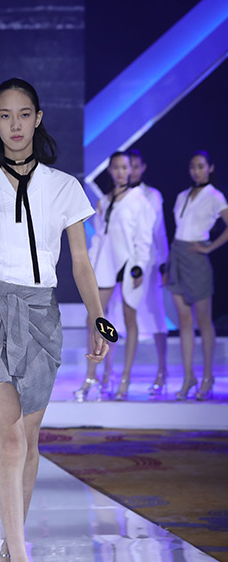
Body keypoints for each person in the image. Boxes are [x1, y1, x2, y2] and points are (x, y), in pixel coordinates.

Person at [0, 78, 109, 562]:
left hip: (42, 313)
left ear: (38, 118)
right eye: (5, 115)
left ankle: (10, 543)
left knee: (28, 437)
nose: (15, 124)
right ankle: (20, 553)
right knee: (8, 436)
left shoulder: (64, 187)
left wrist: (98, 318)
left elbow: (81, 262)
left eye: (24, 114)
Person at [77, 152, 154, 401]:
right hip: (106, 264)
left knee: (130, 320)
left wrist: (139, 266)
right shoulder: (104, 200)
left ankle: (124, 379)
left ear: (131, 169)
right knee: (95, 319)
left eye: (125, 167)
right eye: (116, 168)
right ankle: (95, 376)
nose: (121, 172)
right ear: (110, 170)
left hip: (130, 265)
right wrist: (91, 263)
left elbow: (144, 237)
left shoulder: (140, 200)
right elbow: (100, 237)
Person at [167, 150, 228, 401]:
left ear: (210, 168)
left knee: (203, 321)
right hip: (177, 254)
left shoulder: (215, 196)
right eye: (193, 166)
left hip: (197, 256)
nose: (196, 170)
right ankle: (188, 377)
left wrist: (209, 247)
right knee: (184, 321)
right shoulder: (182, 195)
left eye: (201, 166)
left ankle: (208, 376)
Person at [128, 149, 170, 394]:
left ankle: (162, 370)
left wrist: (163, 263)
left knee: (155, 314)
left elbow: (158, 231)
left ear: (143, 168)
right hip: (123, 265)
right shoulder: (117, 195)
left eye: (135, 166)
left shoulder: (152, 195)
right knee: (120, 316)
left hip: (148, 263)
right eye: (128, 165)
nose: (131, 170)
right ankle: (114, 375)